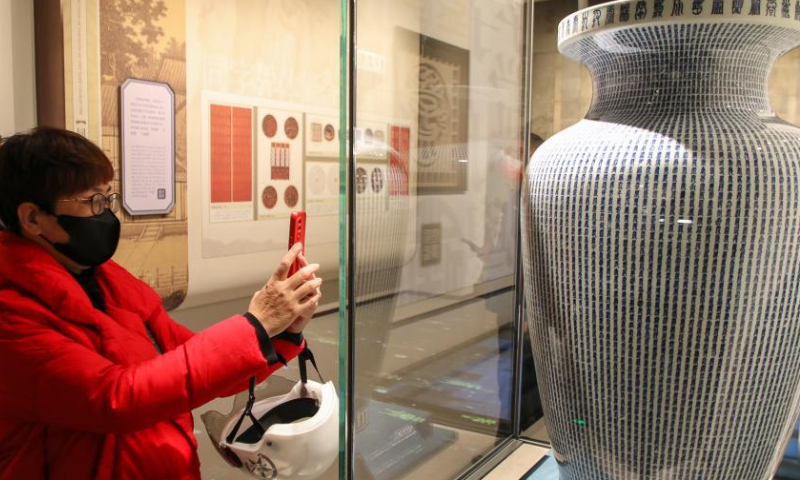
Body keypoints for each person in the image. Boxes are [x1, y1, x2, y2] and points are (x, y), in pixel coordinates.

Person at [0, 127, 322, 480]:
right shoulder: (11, 315)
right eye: (93, 201)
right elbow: (116, 398)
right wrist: (256, 325)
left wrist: (281, 334)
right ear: (32, 218)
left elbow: (198, 370)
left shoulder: (111, 283)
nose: (107, 214)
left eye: (108, 198)